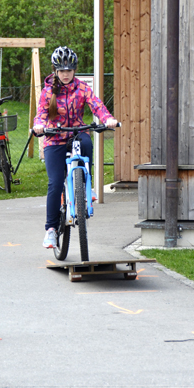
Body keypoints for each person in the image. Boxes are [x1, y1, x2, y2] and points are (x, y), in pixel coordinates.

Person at [33, 46, 118, 249]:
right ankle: (51, 230)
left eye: (69, 70)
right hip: (54, 138)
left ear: (74, 70)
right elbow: (41, 114)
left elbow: (96, 105)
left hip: (76, 133)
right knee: (55, 183)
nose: (65, 74)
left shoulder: (82, 88)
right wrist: (39, 126)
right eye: (62, 70)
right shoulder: (48, 92)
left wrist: (108, 119)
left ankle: (86, 186)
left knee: (86, 142)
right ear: (55, 70)